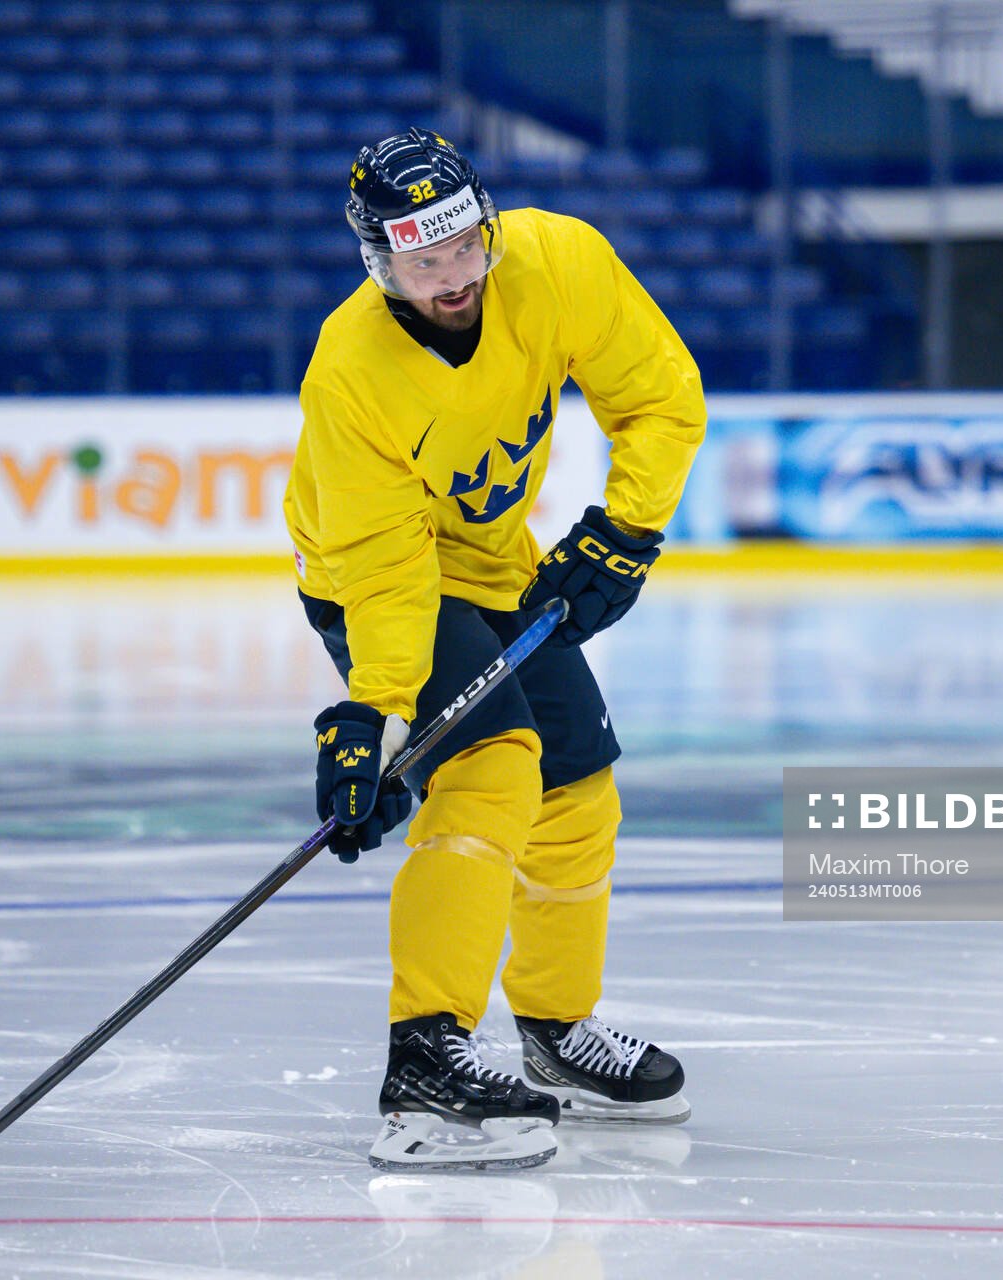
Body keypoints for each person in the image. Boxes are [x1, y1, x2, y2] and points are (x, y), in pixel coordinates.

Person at [281, 128, 705, 1170]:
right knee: (491, 762)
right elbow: (383, 570)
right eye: (425, 261)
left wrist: (629, 528)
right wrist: (375, 720)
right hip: (375, 582)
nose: (455, 276)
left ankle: (556, 1032)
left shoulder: (555, 261)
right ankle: (424, 1056)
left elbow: (661, 396)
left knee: (577, 781)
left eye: (466, 246)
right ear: (380, 261)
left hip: (490, 564)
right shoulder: (351, 372)